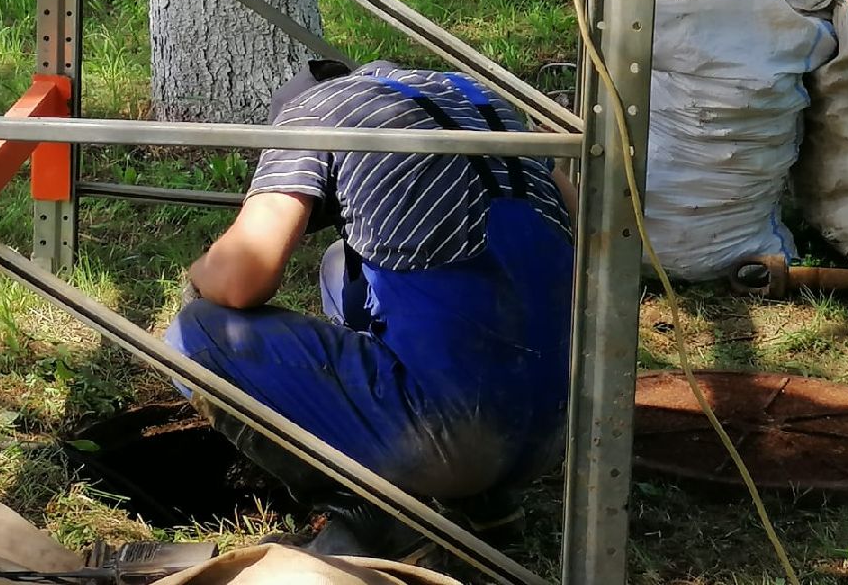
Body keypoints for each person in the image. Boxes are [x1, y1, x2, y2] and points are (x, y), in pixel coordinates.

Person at [165, 60, 577, 561]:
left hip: (448, 437)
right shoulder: (482, 103)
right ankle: (487, 501)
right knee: (345, 265)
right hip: (549, 435)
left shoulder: (313, 114)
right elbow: (583, 239)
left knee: (195, 336)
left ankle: (372, 513)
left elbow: (241, 279)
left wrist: (199, 273)